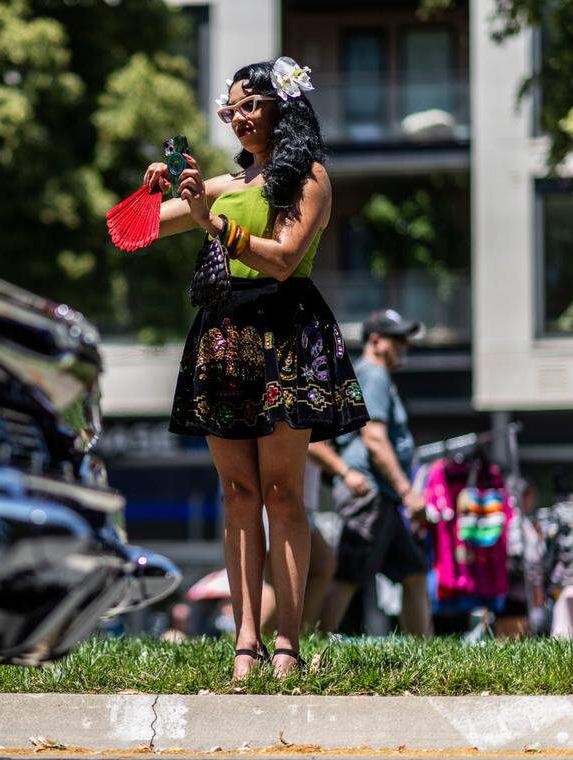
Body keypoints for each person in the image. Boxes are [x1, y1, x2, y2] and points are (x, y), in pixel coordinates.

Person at [146, 57, 370, 679]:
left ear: (281, 107)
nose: (240, 118)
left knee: (282, 493)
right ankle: (245, 643)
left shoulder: (310, 178)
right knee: (238, 493)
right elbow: (131, 232)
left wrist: (210, 224)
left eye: (251, 105)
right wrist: (155, 189)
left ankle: (288, 646)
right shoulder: (224, 184)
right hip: (224, 337)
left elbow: (284, 258)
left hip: (285, 333)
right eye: (233, 108)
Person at [318, 309, 433, 636]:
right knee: (347, 575)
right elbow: (374, 438)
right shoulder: (375, 375)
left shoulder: (370, 375)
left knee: (413, 574)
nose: (403, 347)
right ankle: (312, 644)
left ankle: (425, 654)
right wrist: (407, 492)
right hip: (370, 493)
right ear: (375, 340)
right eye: (397, 340)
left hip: (382, 496)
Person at [260, 440, 370, 634]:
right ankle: (253, 643)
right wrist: (345, 472)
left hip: (297, 505)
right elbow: (310, 442)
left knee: (322, 565)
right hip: (278, 502)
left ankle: (302, 635)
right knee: (277, 581)